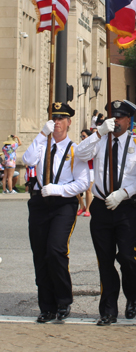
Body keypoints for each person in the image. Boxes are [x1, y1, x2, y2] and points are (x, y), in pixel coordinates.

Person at [75, 101, 136, 326]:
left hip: (125, 207)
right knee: (105, 261)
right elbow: (80, 154)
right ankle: (108, 310)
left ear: (129, 120)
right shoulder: (99, 141)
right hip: (101, 207)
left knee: (127, 257)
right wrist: (98, 132)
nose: (116, 121)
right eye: (113, 117)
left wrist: (124, 193)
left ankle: (132, 293)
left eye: (120, 117)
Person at [22, 103, 90, 322]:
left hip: (63, 205)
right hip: (40, 204)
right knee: (40, 255)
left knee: (55, 251)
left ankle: (63, 300)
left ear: (69, 122)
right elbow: (28, 160)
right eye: (54, 119)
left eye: (62, 119)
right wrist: (42, 134)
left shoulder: (75, 150)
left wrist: (59, 190)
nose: (57, 123)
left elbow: (83, 182)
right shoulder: (43, 145)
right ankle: (46, 306)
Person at [77, 129, 93, 217]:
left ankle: (88, 208)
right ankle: (81, 206)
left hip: (90, 169)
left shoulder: (92, 145)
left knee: (88, 190)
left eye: (84, 136)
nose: (82, 138)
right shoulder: (80, 145)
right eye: (81, 136)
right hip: (81, 169)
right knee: (77, 190)